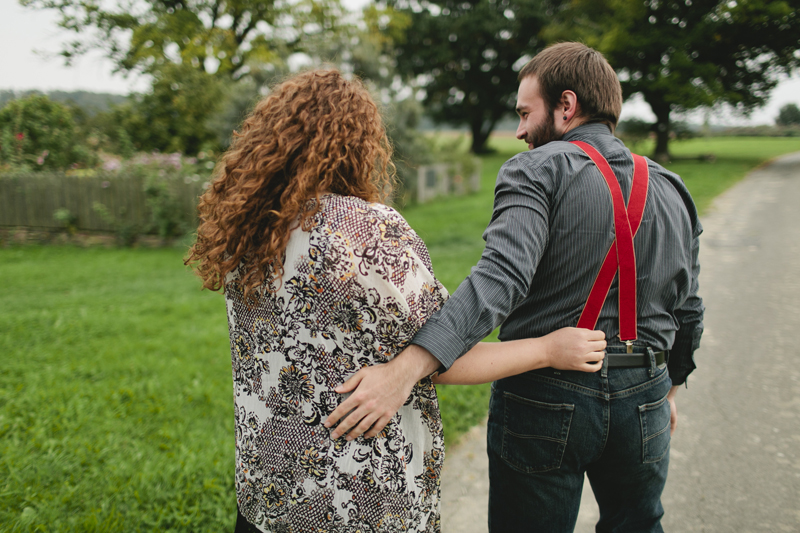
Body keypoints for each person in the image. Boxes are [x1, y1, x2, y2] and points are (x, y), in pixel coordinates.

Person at [185, 68, 606, 533]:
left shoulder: (247, 233)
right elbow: (445, 354)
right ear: (356, 143)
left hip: (269, 489)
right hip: (357, 499)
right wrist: (548, 349)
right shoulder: (367, 231)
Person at [326, 43, 704, 532]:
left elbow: (499, 280)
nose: (521, 130)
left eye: (526, 113)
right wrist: (670, 389)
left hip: (546, 400)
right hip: (647, 394)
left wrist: (405, 370)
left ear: (566, 106)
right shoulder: (674, 188)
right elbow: (688, 308)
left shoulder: (536, 169)